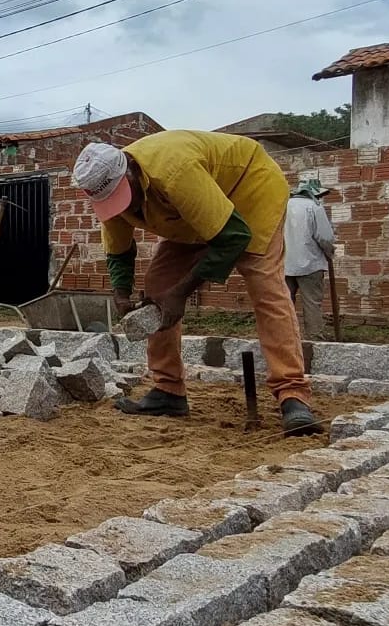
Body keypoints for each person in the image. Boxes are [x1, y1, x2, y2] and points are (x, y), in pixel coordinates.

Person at [73, 130, 319, 436]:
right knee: (158, 286)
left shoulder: (174, 171)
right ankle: (169, 390)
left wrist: (181, 293)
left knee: (264, 285)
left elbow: (233, 237)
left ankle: (292, 394)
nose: (122, 208)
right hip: (190, 211)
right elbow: (119, 252)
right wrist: (121, 293)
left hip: (248, 190)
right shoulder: (108, 192)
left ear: (131, 170)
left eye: (123, 197)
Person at [284, 179, 336, 341]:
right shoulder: (314, 207)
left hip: (284, 263)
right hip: (310, 264)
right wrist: (330, 252)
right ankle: (314, 339)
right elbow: (325, 237)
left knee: (284, 304)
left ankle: (285, 338)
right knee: (312, 302)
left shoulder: (282, 206)